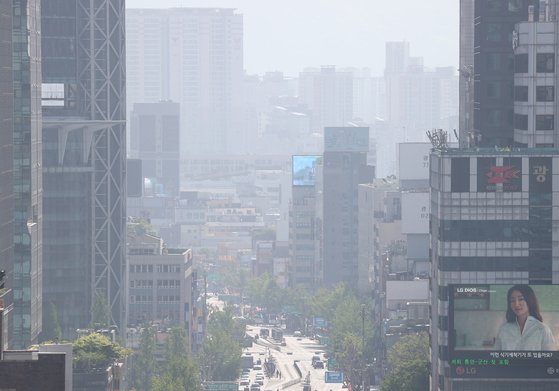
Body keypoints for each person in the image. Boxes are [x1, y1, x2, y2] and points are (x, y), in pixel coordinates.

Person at [495, 285, 556, 351]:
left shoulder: (542, 329)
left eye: (521, 299)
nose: (516, 304)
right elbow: (496, 356)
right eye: (512, 300)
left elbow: (550, 359)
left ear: (530, 300)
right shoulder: (504, 329)